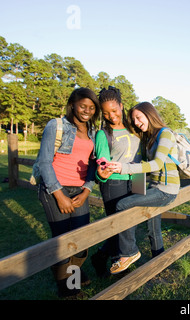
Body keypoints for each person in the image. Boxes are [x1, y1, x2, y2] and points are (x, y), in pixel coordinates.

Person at [36, 87, 100, 298]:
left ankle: (74, 272)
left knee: (81, 239)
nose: (87, 111)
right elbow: (44, 163)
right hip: (55, 189)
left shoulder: (91, 131)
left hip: (79, 190)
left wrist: (86, 190)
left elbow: (92, 164)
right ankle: (69, 289)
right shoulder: (56, 125)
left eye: (91, 108)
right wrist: (59, 195)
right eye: (83, 106)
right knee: (64, 240)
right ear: (72, 104)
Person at [107, 101, 180, 274]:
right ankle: (159, 262)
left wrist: (124, 168)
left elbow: (156, 164)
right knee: (153, 226)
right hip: (154, 187)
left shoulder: (166, 134)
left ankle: (129, 252)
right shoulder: (150, 137)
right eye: (134, 120)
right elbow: (144, 165)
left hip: (166, 190)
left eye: (139, 118)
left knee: (122, 205)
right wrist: (137, 189)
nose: (137, 123)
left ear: (150, 114)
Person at [90, 86, 142, 278]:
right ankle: (120, 271)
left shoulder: (135, 128)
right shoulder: (104, 134)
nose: (111, 116)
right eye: (106, 113)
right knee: (118, 224)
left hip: (138, 177)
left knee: (132, 222)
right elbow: (102, 161)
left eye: (114, 110)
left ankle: (101, 255)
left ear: (121, 105)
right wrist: (101, 173)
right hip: (114, 182)